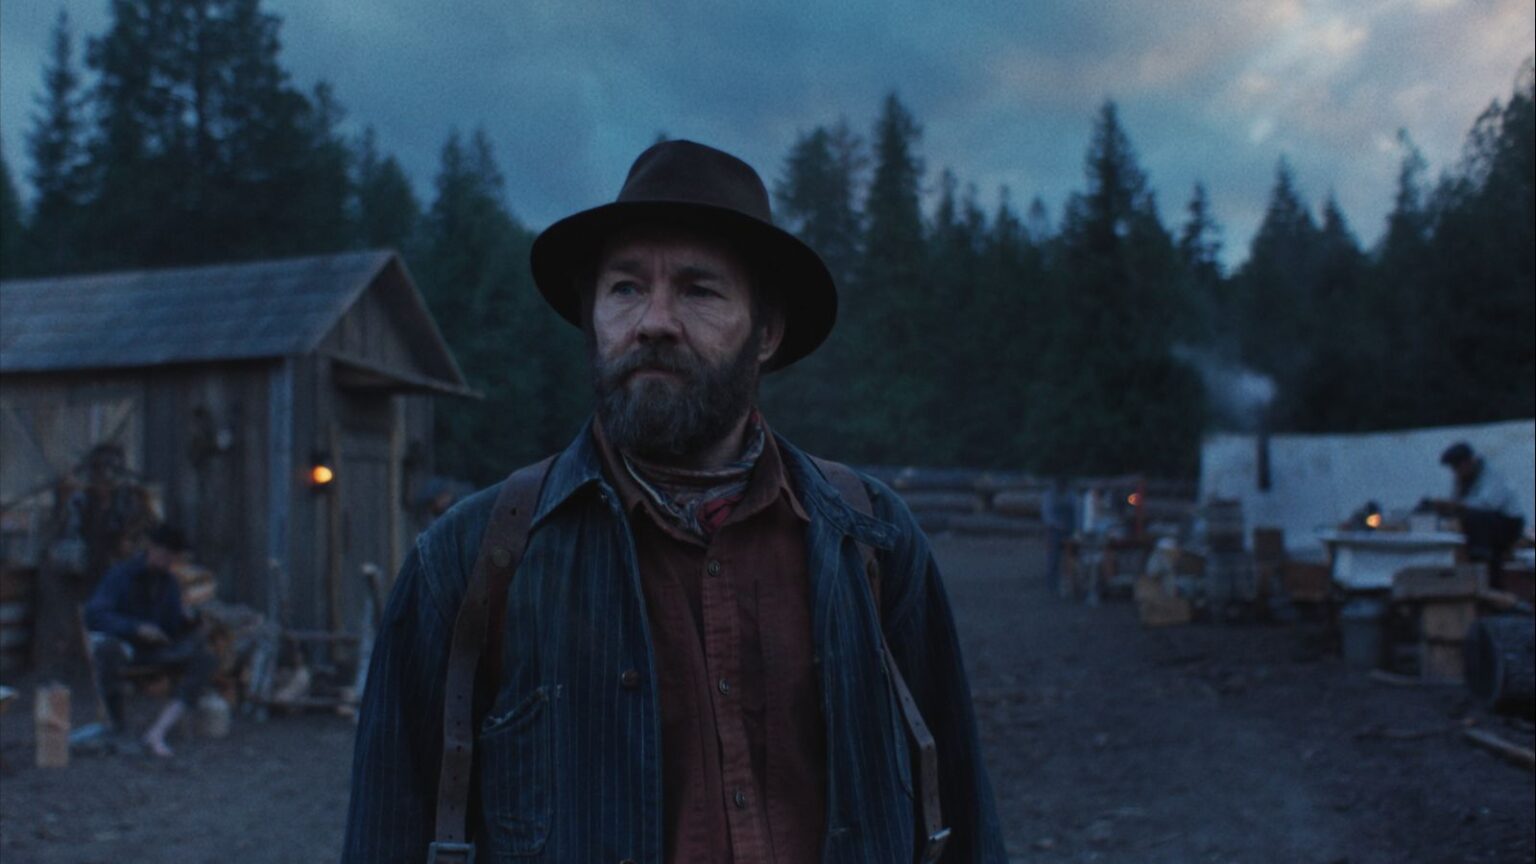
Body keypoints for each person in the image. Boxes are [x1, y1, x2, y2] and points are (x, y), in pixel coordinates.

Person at [344, 141, 1005, 863]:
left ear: (766, 333)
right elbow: (385, 836)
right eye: (626, 288)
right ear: (593, 318)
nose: (654, 320)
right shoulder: (469, 562)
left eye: (699, 291)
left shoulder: (871, 542)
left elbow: (963, 821)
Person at [84, 524, 215, 758]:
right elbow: (94, 615)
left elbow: (171, 627)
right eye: (166, 555)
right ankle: (117, 724)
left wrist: (190, 622)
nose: (169, 561)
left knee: (204, 658)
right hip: (126, 646)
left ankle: (158, 730)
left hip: (156, 650)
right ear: (152, 549)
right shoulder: (121, 575)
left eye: (173, 557)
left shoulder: (169, 583)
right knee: (106, 650)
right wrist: (135, 628)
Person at [1436, 442, 1527, 578]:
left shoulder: (1492, 474)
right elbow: (1458, 503)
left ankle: (1482, 559)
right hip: (1485, 524)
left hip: (1508, 523)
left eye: (1458, 467)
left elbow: (1488, 504)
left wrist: (1456, 505)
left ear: (1468, 462)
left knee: (1476, 517)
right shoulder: (1462, 479)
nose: (1456, 472)